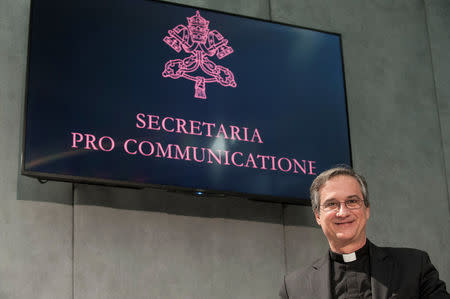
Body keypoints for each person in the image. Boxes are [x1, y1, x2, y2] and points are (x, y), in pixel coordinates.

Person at [279, 166, 450, 299]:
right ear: (317, 215)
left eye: (352, 201)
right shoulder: (294, 287)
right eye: (331, 204)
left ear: (367, 210)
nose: (343, 212)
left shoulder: (414, 266)